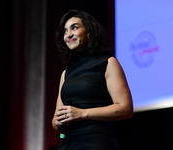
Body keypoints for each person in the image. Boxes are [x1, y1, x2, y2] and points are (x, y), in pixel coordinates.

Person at [52, 9, 133, 150]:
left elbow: (125, 109)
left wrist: (82, 113)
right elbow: (55, 120)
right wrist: (58, 122)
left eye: (74, 28)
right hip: (68, 144)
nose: (68, 35)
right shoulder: (66, 73)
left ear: (89, 31)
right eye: (65, 31)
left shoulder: (108, 62)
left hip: (96, 141)